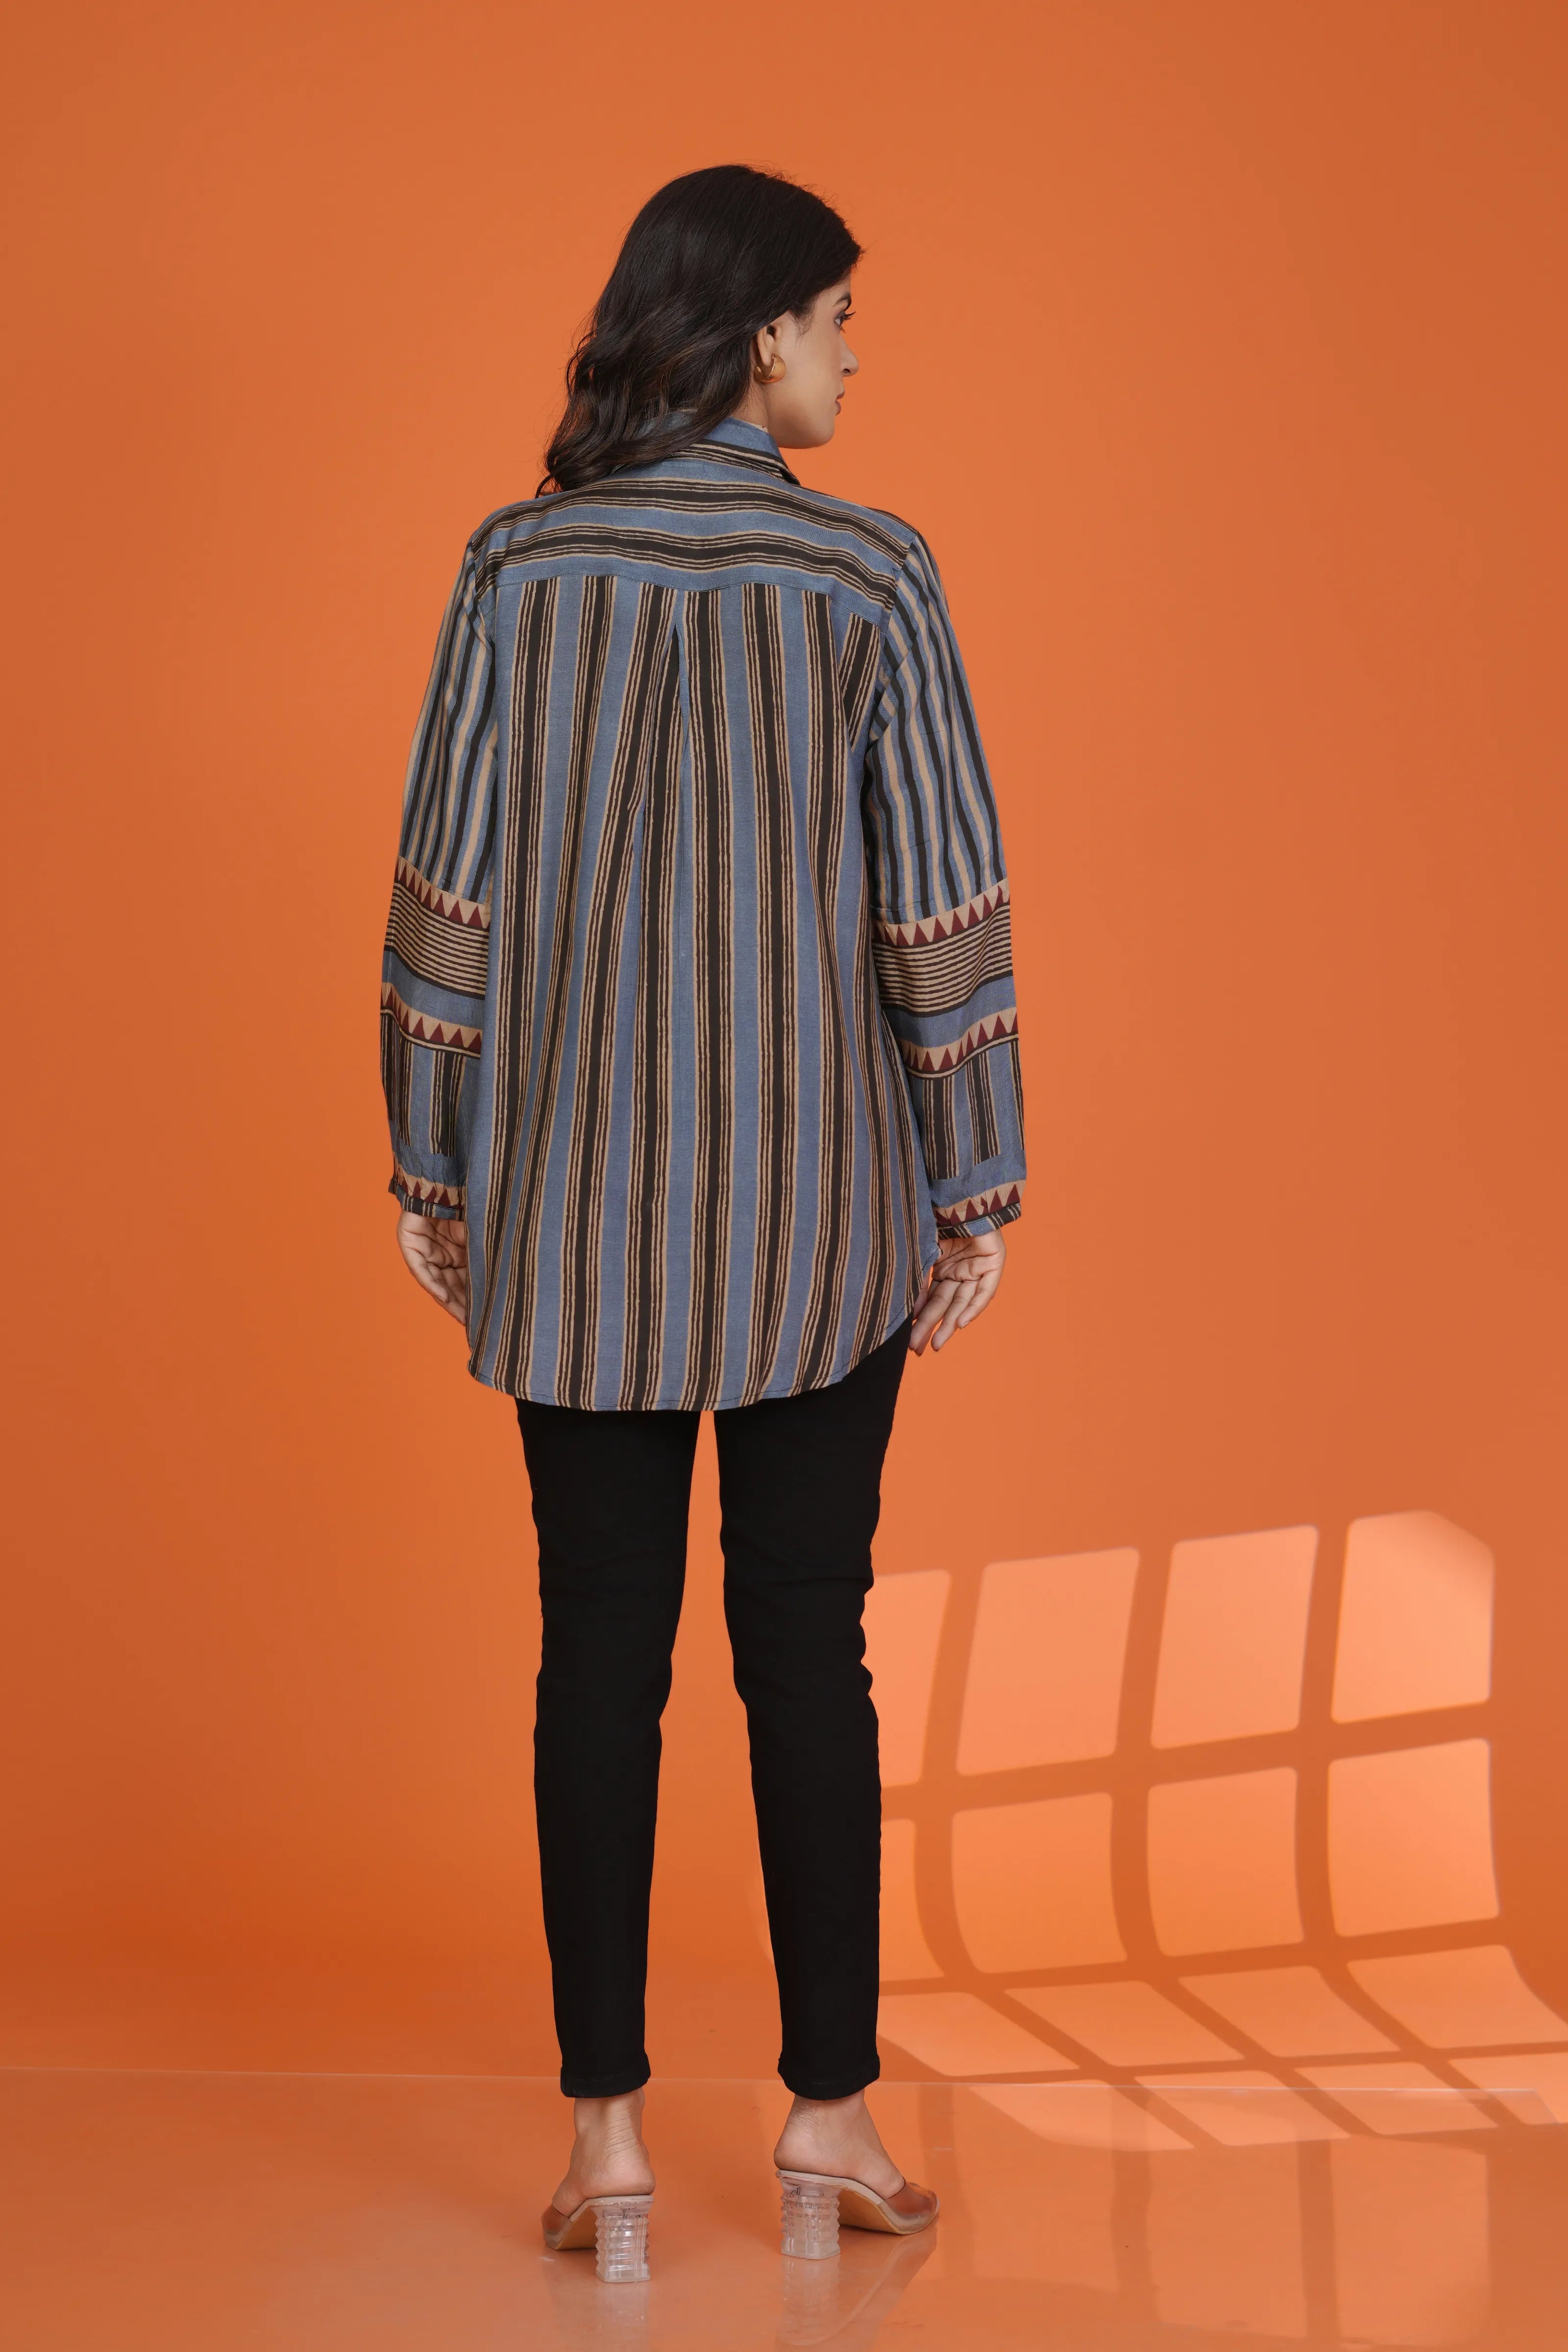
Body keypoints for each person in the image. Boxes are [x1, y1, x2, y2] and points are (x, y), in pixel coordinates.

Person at [379, 164, 1025, 2279]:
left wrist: (434, 1158)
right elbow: (937, 901)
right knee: (807, 1650)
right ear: (760, 335)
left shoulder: (515, 564)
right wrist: (976, 1170)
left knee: (597, 1661)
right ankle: (829, 2117)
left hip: (572, 1219)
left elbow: (447, 899)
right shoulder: (870, 573)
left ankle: (608, 2148)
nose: (850, 358)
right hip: (826, 1210)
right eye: (837, 320)